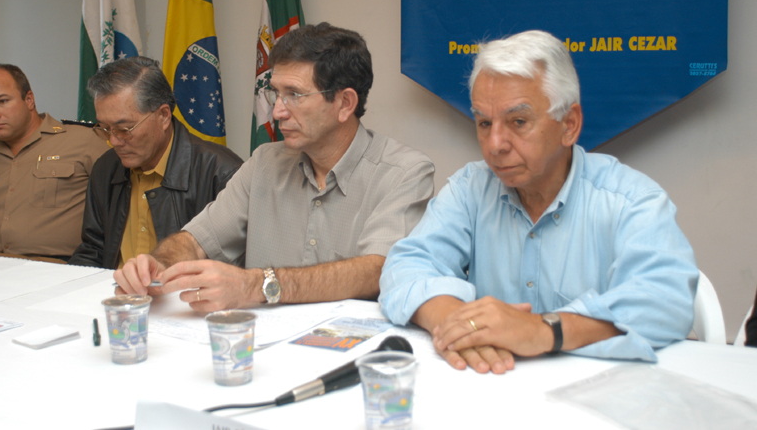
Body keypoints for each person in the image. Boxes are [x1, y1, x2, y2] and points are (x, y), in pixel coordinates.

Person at [379, 30, 698, 374]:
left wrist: (544, 331)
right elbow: (404, 267)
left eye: (518, 122)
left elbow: (666, 300)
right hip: (494, 384)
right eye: (484, 123)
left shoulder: (631, 201)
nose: (495, 144)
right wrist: (459, 323)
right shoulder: (471, 189)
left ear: (569, 125)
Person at [114, 23, 435, 311]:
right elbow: (195, 241)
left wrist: (256, 285)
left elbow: (377, 270)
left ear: (345, 104)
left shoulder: (405, 172)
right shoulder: (264, 163)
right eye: (276, 93)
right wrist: (157, 264)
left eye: (294, 94)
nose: (278, 111)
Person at [69, 56, 243, 269]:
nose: (113, 141)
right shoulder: (106, 168)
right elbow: (93, 250)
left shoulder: (220, 172)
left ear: (163, 116)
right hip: (113, 287)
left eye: (124, 129)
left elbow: (233, 266)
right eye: (105, 129)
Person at [0, 64, 108, 262]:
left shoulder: (84, 141)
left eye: (2, 101)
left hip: (61, 268)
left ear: (29, 100)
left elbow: (121, 208)